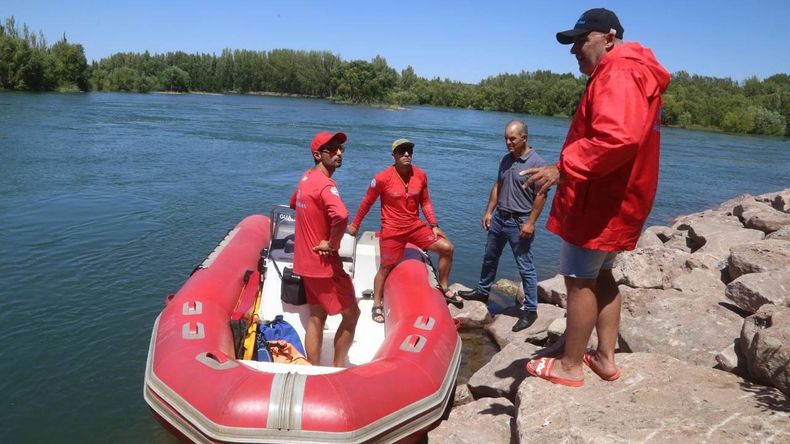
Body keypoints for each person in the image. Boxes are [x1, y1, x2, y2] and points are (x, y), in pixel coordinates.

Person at [524, 8, 670, 387]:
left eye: (580, 40)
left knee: (578, 280)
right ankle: (604, 357)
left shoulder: (619, 72)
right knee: (603, 275)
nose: (573, 50)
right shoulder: (635, 70)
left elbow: (617, 138)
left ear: (609, 38)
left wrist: (563, 167)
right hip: (620, 199)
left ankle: (570, 366)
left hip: (599, 201)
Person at [348, 138, 461, 324]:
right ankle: (377, 303)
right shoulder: (382, 178)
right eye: (402, 151)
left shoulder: (421, 175)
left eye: (409, 150)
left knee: (448, 248)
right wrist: (355, 225)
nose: (407, 154)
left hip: (415, 227)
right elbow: (367, 203)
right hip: (392, 230)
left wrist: (434, 224)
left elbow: (425, 202)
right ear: (394, 155)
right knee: (385, 267)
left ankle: (444, 287)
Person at [457, 120, 548, 332]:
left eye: (512, 139)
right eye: (506, 138)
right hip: (500, 217)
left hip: (519, 223)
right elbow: (498, 185)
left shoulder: (538, 163)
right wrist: (489, 211)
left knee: (525, 266)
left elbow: (541, 196)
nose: (508, 142)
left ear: (524, 138)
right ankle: (483, 290)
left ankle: (531, 309)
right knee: (489, 256)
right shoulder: (506, 159)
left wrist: (531, 223)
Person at [289, 131, 361, 367]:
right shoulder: (325, 185)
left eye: (341, 149)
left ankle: (313, 366)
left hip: (304, 263)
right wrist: (331, 243)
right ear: (318, 154)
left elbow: (293, 202)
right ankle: (338, 369)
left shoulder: (306, 179)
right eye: (332, 149)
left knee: (317, 316)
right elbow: (340, 214)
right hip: (324, 266)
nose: (339, 153)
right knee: (352, 315)